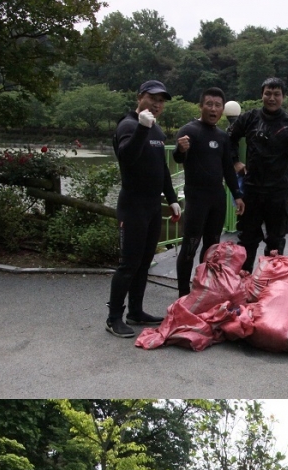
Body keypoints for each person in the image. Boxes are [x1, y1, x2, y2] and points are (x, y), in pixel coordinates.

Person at [106, 79, 181, 338]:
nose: (157, 104)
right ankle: (113, 317)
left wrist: (171, 198)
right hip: (132, 206)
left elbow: (162, 169)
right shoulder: (128, 125)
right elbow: (126, 158)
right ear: (140, 97)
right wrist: (141, 127)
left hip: (152, 206)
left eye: (161, 101)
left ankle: (136, 312)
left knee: (144, 262)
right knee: (129, 264)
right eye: (153, 98)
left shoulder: (157, 131)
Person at [228, 77, 288, 272]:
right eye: (268, 93)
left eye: (277, 94)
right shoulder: (250, 118)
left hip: (278, 190)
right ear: (262, 95)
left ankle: (270, 282)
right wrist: (235, 161)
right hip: (252, 188)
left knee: (276, 240)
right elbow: (230, 138)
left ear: (283, 97)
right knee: (247, 238)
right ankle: (244, 279)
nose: (272, 98)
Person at [172, 87, 245, 297]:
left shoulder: (222, 137)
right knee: (190, 245)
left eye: (218, 105)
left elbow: (228, 169)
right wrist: (180, 149)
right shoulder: (189, 131)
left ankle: (203, 288)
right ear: (201, 106)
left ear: (222, 109)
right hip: (196, 198)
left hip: (217, 198)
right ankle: (183, 293)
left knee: (213, 247)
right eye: (209, 104)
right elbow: (178, 159)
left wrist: (237, 195)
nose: (213, 109)